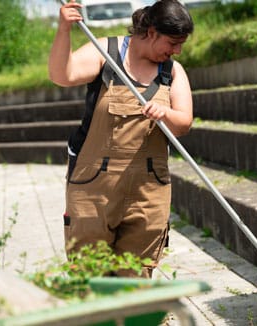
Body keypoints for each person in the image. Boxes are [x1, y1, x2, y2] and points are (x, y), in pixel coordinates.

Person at [49, 0, 194, 278]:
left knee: (135, 274)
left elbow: (183, 123)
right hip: (93, 188)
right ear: (151, 32)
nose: (177, 50)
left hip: (147, 190)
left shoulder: (172, 72)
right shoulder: (107, 52)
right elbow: (62, 75)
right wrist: (64, 30)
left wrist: (165, 113)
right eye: (173, 42)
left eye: (181, 44)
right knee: (91, 273)